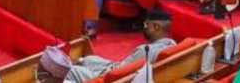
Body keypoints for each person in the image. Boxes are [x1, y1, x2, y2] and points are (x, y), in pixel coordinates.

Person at [37, 10, 175, 82]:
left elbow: (116, 72)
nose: (144, 28)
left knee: (70, 70)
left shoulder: (145, 51)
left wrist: (82, 66)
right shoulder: (171, 45)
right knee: (89, 59)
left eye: (146, 25)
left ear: (156, 27)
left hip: (110, 77)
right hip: (118, 70)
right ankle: (81, 61)